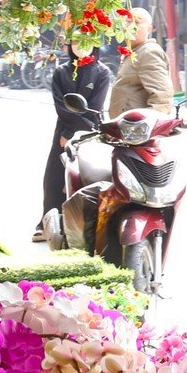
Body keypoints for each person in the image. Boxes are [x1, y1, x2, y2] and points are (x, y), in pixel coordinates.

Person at [37, 50, 113, 241]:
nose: (80, 46)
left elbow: (95, 106)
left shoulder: (101, 72)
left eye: (86, 40)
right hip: (62, 130)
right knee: (53, 178)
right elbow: (60, 105)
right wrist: (66, 133)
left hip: (90, 132)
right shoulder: (61, 71)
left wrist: (73, 133)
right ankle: (48, 223)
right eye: (76, 40)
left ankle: (85, 227)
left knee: (88, 177)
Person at [108, 8, 175, 115]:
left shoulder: (149, 52)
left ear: (149, 29)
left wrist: (149, 122)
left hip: (137, 127)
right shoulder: (135, 52)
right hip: (126, 126)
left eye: (137, 22)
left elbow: (162, 97)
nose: (131, 26)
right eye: (128, 22)